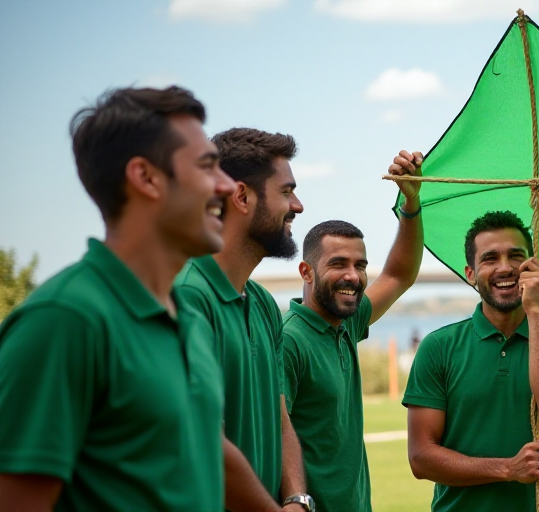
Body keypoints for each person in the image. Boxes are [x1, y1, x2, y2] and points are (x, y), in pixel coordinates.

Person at [0, 86, 234, 511]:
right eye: (207, 166)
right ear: (145, 177)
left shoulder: (191, 320)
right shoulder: (63, 320)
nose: (228, 185)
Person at [403, 211, 539, 512]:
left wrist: (536, 313)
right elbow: (421, 459)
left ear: (532, 267)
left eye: (516, 256)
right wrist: (507, 469)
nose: (505, 268)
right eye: (490, 258)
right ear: (471, 274)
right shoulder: (438, 347)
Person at [281, 149, 424, 512]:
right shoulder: (288, 340)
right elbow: (272, 434)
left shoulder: (347, 321)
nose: (353, 275)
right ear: (306, 272)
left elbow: (398, 274)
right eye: (338, 263)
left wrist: (411, 203)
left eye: (360, 264)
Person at [174, 127, 309, 512]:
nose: (297, 205)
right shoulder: (186, 297)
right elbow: (203, 443)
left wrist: (297, 500)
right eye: (286, 191)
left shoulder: (265, 304)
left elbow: (280, 420)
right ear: (241, 196)